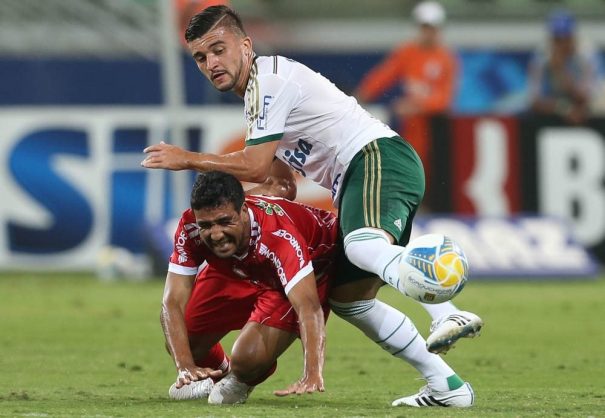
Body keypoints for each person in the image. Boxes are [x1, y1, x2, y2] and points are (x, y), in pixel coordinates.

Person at [143, 5, 482, 407]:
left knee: (361, 245)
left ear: (245, 45)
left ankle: (446, 311)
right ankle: (448, 387)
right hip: (360, 175)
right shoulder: (255, 96)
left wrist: (187, 158)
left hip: (375, 158)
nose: (211, 63)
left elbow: (252, 163)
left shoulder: (269, 82)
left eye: (219, 50)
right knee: (350, 300)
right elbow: (281, 181)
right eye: (201, 57)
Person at [162, 170, 336, 404]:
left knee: (247, 358)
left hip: (284, 280)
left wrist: (312, 372)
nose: (216, 234)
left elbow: (308, 307)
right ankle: (217, 372)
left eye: (225, 222)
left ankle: (243, 378)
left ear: (243, 211)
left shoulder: (278, 235)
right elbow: (171, 302)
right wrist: (185, 366)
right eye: (206, 225)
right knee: (181, 340)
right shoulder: (189, 227)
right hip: (235, 267)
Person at [355, 1, 457, 205]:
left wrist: (417, 106)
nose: (428, 33)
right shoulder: (408, 52)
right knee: (407, 162)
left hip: (433, 123)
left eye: (432, 28)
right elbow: (385, 74)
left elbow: (444, 99)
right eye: (424, 27)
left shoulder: (445, 58)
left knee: (432, 168)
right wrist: (363, 94)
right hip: (412, 123)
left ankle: (428, 206)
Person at [527, 9, 598, 125]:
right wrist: (565, 109)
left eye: (565, 38)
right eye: (557, 39)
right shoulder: (542, 56)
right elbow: (534, 101)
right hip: (556, 108)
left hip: (584, 107)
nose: (561, 44)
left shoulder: (586, 54)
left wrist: (561, 71)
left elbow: (586, 97)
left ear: (572, 37)